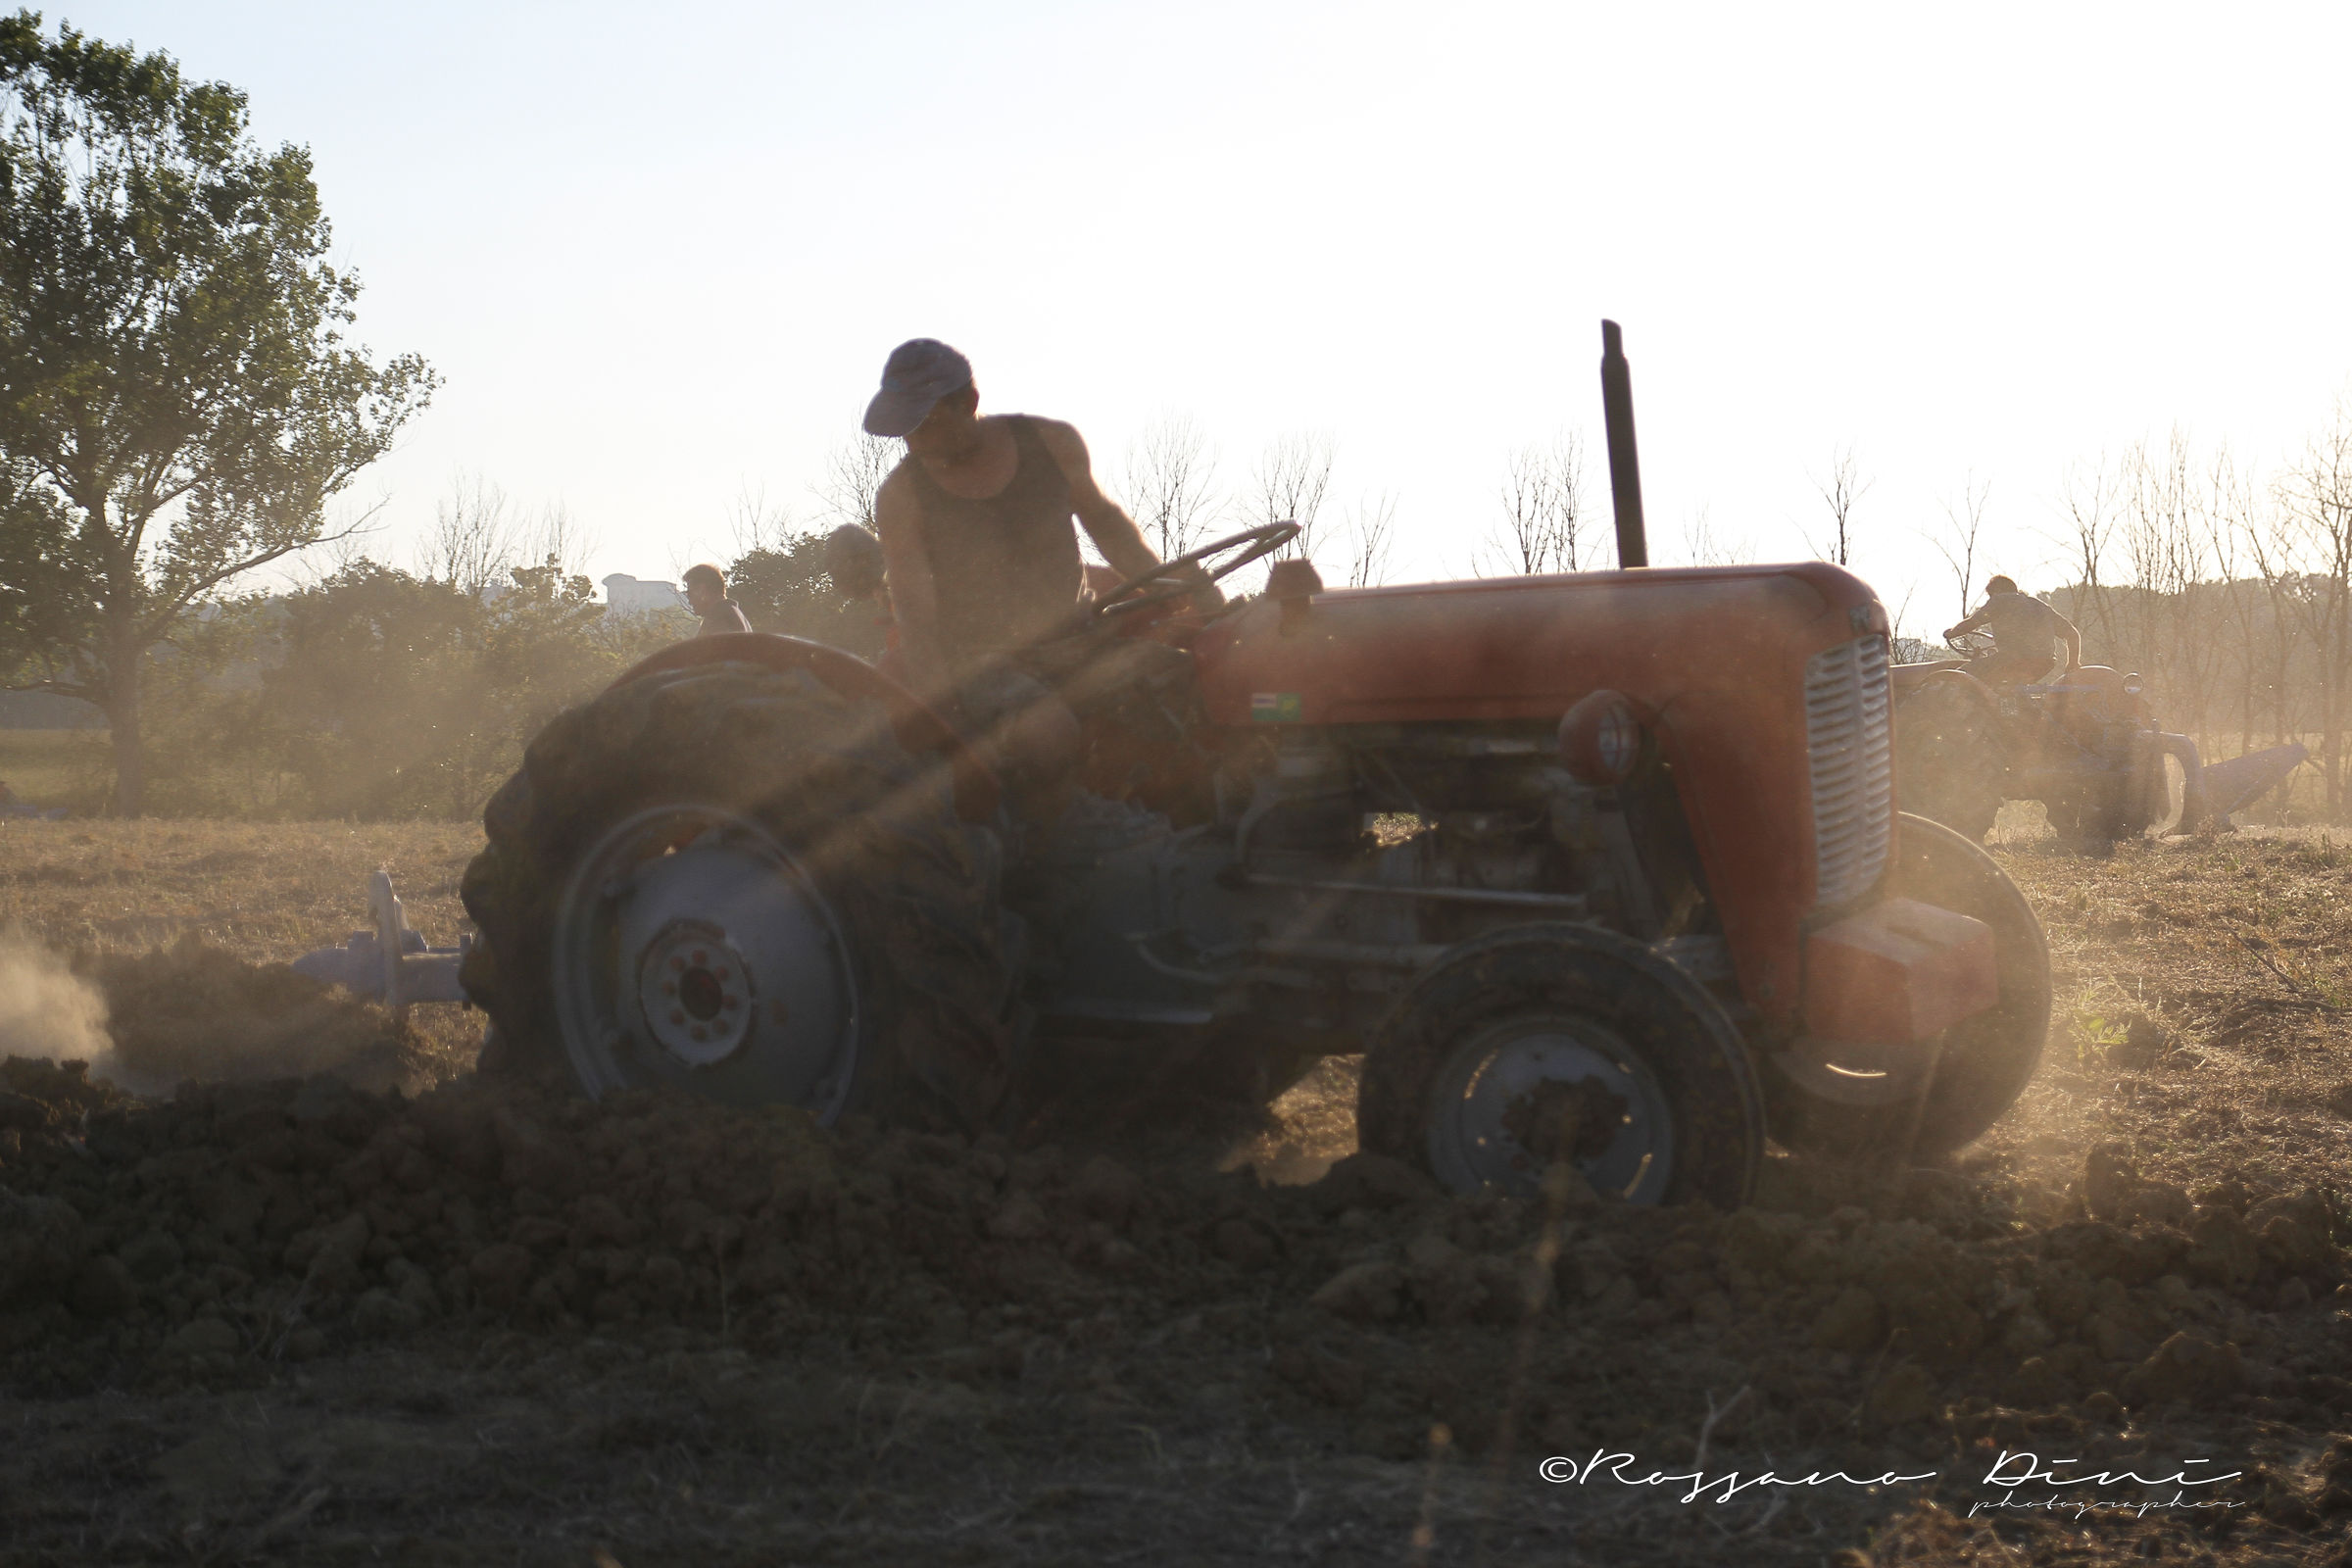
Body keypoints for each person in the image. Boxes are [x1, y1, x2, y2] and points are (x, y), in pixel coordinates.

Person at [860, 338, 1212, 800]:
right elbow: (915, 615)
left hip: (1080, 638)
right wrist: (946, 720)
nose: (916, 440)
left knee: (1198, 679)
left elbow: (1111, 531)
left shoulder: (1050, 443)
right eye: (906, 428)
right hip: (980, 663)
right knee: (1051, 735)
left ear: (968, 402)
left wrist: (1203, 599)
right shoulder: (903, 498)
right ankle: (1063, 840)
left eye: (928, 422)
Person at [1944, 575, 2082, 689]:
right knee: (2005, 686)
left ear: (1996, 592)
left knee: (1959, 676)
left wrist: (1951, 633)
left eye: (1990, 596)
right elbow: (2072, 634)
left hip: (2012, 660)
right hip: (2044, 663)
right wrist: (2072, 664)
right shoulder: (2039, 605)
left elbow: (1971, 623)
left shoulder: (2000, 600)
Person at [683, 563, 752, 636]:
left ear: (702, 590)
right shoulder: (736, 615)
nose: (690, 602)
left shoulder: (717, 618)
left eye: (689, 594)